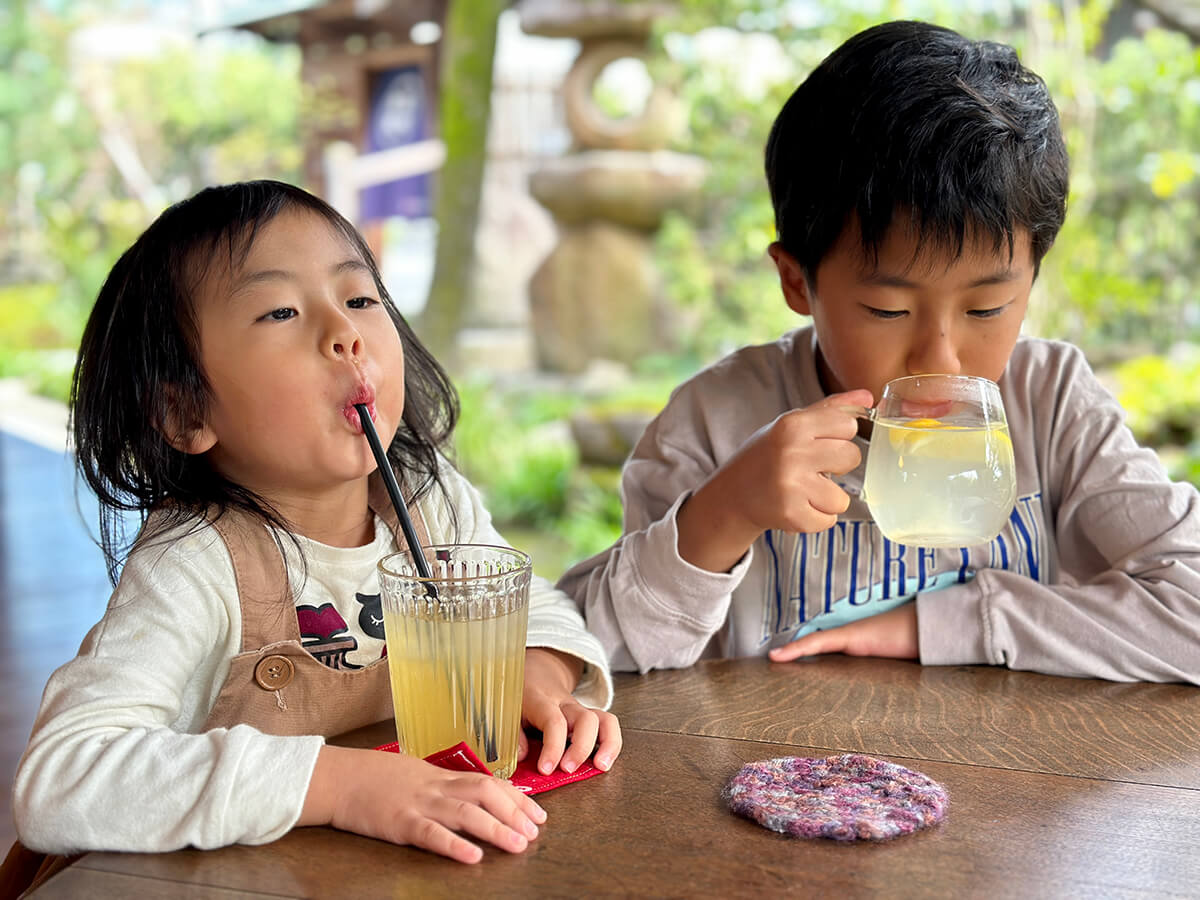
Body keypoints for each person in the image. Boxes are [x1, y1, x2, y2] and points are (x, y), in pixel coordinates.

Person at [559, 20, 1200, 683]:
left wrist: (954, 623)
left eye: (986, 308)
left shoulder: (1052, 403)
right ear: (794, 280)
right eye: (888, 310)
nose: (941, 361)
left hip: (1019, 775)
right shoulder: (716, 423)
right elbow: (582, 661)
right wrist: (722, 514)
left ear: (1031, 279)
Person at [11, 180, 621, 868]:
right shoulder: (196, 564)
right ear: (185, 413)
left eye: (360, 298)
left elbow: (529, 601)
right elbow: (62, 777)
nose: (345, 334)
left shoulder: (426, 500)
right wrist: (343, 785)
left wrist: (536, 673)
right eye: (280, 312)